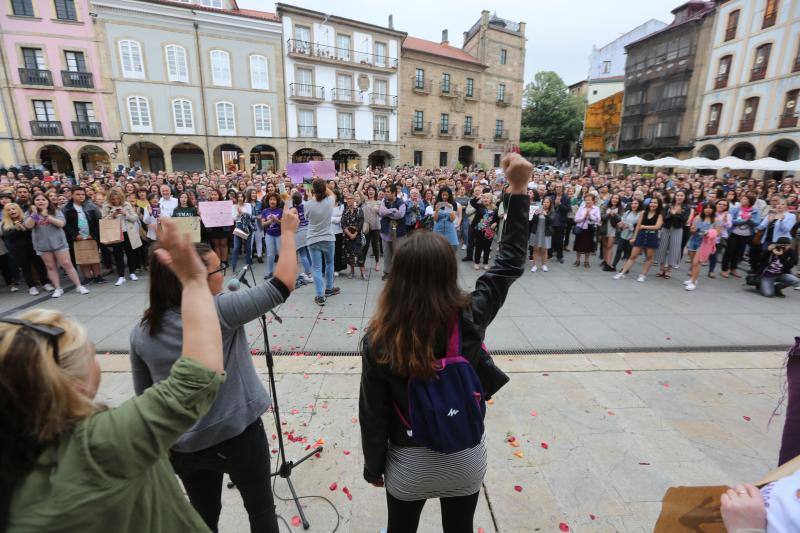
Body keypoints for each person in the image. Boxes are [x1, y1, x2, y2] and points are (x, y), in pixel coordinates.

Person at [2, 218, 224, 532]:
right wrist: (194, 281)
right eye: (90, 354)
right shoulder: (99, 447)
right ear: (71, 385)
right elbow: (196, 379)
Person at [358, 152, 531, 533]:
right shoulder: (469, 316)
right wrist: (518, 190)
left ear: (397, 278)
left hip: (409, 462)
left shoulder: (379, 339)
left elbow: (373, 414)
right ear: (449, 273)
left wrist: (374, 467)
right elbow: (509, 263)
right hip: (464, 458)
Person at [130, 205, 298, 533]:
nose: (224, 273)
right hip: (239, 435)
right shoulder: (219, 310)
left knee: (203, 515)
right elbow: (282, 284)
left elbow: (145, 397)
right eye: (217, 269)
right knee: (261, 510)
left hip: (185, 445)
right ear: (195, 277)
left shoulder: (142, 330)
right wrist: (289, 232)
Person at [24, 193, 89, 297]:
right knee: (50, 267)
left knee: (67, 264)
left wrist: (47, 216)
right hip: (42, 245)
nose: (40, 201)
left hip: (59, 243)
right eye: (37, 200)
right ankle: (58, 288)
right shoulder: (30, 213)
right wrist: (35, 214)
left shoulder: (55, 211)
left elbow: (61, 224)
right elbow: (29, 225)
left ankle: (79, 286)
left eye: (43, 199)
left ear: (47, 201)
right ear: (33, 202)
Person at [1, 202, 50, 295]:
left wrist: (34, 214)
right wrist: (17, 227)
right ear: (6, 213)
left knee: (40, 265)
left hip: (33, 246)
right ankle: (31, 287)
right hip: (18, 249)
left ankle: (45, 283)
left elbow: (40, 223)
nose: (12, 211)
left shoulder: (27, 217)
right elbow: (8, 237)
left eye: (14, 209)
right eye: (9, 210)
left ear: (18, 210)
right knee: (25, 268)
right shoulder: (5, 223)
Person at [305, 178, 340, 306]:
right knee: (330, 263)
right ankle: (329, 288)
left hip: (313, 238)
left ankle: (320, 296)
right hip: (328, 238)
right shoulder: (330, 201)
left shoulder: (308, 204)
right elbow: (332, 193)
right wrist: (322, 186)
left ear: (313, 190)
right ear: (324, 188)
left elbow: (307, 217)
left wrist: (313, 192)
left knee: (317, 268)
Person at [614, 196, 664, 282]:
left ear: (658, 205)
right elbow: (638, 226)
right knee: (633, 255)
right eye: (652, 202)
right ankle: (622, 273)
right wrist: (634, 237)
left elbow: (657, 226)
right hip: (641, 235)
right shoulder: (643, 213)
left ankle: (643, 275)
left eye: (655, 203)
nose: (653, 204)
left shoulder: (660, 215)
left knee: (649, 257)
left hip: (652, 236)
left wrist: (644, 226)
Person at [63, 186, 103, 284]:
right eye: (78, 194)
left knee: (94, 255)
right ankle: (87, 277)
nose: (81, 196)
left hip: (91, 235)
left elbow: (98, 220)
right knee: (81, 256)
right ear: (72, 195)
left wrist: (93, 234)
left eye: (82, 194)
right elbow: (66, 224)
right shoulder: (67, 208)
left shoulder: (91, 206)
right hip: (77, 236)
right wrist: (75, 235)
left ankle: (97, 275)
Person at [101, 188, 141, 286]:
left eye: (117, 198)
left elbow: (135, 218)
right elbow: (103, 220)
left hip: (128, 232)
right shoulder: (106, 206)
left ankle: (132, 273)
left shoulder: (126, 204)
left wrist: (125, 213)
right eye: (113, 199)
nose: (115, 201)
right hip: (115, 233)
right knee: (118, 255)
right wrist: (113, 215)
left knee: (130, 253)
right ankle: (121, 276)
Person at [655, 190, 690, 279]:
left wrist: (676, 214)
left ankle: (669, 270)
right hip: (666, 228)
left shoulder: (686, 207)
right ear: (675, 196)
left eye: (681, 195)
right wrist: (673, 214)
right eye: (678, 195)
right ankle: (661, 269)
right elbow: (664, 218)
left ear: (684, 197)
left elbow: (684, 220)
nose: (679, 197)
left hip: (677, 229)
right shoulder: (668, 206)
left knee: (674, 249)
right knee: (662, 248)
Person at [683, 202, 716, 292]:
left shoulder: (715, 220)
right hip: (694, 240)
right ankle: (693, 278)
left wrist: (708, 233)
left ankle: (693, 283)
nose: (708, 210)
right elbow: (692, 229)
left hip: (704, 243)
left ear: (713, 210)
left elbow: (717, 232)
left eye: (710, 208)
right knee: (693, 262)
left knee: (696, 262)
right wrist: (692, 229)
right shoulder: (698, 217)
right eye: (706, 208)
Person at [378, 183, 407, 280]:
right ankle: (387, 272)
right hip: (386, 233)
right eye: (385, 192)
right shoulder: (383, 201)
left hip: (399, 234)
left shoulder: (401, 203)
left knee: (399, 255)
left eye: (388, 192)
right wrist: (393, 210)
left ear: (394, 193)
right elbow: (381, 212)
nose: (386, 194)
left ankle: (399, 274)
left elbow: (400, 215)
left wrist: (388, 212)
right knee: (387, 254)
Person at [572, 193, 601, 269]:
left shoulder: (596, 208)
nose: (587, 201)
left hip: (590, 229)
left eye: (589, 200)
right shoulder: (581, 208)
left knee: (588, 246)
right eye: (586, 200)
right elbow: (576, 219)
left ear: (593, 201)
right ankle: (577, 260)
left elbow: (598, 219)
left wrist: (590, 215)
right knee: (578, 245)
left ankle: (586, 261)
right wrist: (584, 216)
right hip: (580, 228)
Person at [612, 198, 642, 271]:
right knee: (619, 250)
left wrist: (629, 225)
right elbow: (623, 220)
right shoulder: (628, 212)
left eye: (636, 203)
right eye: (632, 203)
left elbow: (638, 225)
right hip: (624, 234)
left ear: (639, 205)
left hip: (632, 236)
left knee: (629, 252)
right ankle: (613, 266)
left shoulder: (641, 214)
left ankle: (626, 268)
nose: (633, 205)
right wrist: (621, 223)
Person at [341, 192, 366, 279]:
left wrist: (355, 234)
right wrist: (349, 234)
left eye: (351, 198)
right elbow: (343, 224)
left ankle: (363, 273)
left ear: (354, 200)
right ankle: (352, 272)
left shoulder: (359, 210)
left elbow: (361, 222)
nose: (349, 200)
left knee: (360, 254)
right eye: (347, 199)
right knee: (350, 254)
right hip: (347, 236)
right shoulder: (345, 211)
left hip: (357, 235)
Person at [231, 191, 255, 275]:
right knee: (236, 247)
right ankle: (234, 268)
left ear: (244, 198)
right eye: (239, 197)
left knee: (248, 247)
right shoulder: (234, 206)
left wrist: (242, 213)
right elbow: (234, 218)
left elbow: (250, 216)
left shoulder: (248, 205)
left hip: (248, 227)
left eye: (241, 197)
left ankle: (248, 264)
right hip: (239, 226)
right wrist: (239, 213)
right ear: (236, 198)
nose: (240, 198)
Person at [529, 196, 553, 272]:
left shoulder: (551, 212)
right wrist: (536, 214)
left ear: (550, 204)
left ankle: (544, 265)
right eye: (544, 202)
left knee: (544, 250)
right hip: (537, 232)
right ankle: (534, 265)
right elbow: (533, 221)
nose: (545, 204)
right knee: (535, 249)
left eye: (547, 202)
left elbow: (551, 222)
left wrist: (546, 215)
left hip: (546, 233)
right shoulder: (538, 209)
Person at [432, 186, 460, 252]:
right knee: (436, 247)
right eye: (443, 195)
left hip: (449, 227)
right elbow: (435, 219)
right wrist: (436, 210)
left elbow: (452, 219)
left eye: (446, 195)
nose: (444, 197)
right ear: (440, 195)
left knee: (453, 246)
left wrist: (451, 210)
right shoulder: (437, 203)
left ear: (449, 195)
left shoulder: (453, 203)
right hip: (438, 227)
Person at [361, 185, 382, 272]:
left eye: (372, 190)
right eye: (369, 190)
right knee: (365, 245)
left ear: (375, 192)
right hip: (366, 226)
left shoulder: (379, 202)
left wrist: (378, 210)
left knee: (375, 245)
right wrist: (363, 180)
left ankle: (377, 262)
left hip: (376, 226)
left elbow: (382, 214)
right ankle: (362, 264)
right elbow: (358, 190)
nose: (370, 191)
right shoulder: (365, 200)